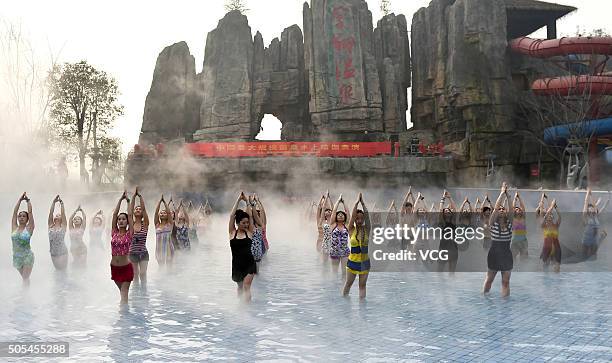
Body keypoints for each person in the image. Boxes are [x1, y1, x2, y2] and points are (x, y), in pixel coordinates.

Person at [483, 183, 513, 297]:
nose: (501, 210)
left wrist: (508, 195)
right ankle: (485, 297)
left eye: (503, 209)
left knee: (505, 282)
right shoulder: (493, 223)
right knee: (489, 279)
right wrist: (502, 193)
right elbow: (495, 208)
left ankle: (506, 306)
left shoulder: (510, 223)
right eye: (499, 209)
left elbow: (511, 210)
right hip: (494, 254)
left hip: (506, 254)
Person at [229, 192, 257, 301]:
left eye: (247, 223)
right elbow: (231, 216)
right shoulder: (232, 233)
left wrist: (247, 202)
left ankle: (248, 311)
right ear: (237, 223)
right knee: (240, 287)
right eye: (243, 223)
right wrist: (238, 200)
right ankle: (240, 308)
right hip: (237, 265)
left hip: (249, 263)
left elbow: (250, 216)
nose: (246, 225)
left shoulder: (249, 232)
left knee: (246, 287)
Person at [343, 193, 371, 299]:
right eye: (357, 218)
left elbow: (368, 217)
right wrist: (356, 203)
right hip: (352, 263)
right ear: (355, 220)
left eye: (361, 218)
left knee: (362, 286)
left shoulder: (367, 230)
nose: (359, 220)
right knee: (348, 284)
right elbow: (352, 216)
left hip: (364, 263)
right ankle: (344, 305)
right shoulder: (351, 230)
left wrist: (362, 203)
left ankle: (363, 312)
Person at [110, 191, 134, 304]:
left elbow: (130, 215)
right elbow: (114, 215)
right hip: (114, 268)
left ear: (127, 222)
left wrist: (128, 201)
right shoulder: (114, 232)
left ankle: (124, 318)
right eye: (119, 219)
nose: (121, 221)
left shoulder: (129, 233)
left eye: (123, 219)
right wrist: (120, 200)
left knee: (124, 294)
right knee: (122, 295)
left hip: (126, 268)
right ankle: (125, 315)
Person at [11, 193, 35, 285]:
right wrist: (19, 200)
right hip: (16, 258)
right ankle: (26, 293)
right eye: (20, 216)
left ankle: (25, 296)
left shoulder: (29, 228)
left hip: (27, 257)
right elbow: (14, 212)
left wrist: (28, 201)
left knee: (25, 278)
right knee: (25, 278)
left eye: (24, 216)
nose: (21, 217)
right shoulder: (14, 227)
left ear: (27, 219)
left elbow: (30, 212)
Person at [129, 187, 150, 284]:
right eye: (136, 209)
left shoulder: (145, 224)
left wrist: (140, 196)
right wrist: (133, 197)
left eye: (139, 209)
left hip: (143, 253)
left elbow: (145, 210)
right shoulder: (131, 224)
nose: (138, 210)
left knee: (142, 274)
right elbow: (129, 212)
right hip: (132, 253)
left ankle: (144, 293)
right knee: (135, 275)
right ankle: (137, 296)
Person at [329, 195, 351, 277]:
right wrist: (338, 201)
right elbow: (334, 211)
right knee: (334, 273)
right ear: (336, 217)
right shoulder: (333, 225)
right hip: (334, 251)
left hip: (345, 252)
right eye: (339, 215)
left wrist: (344, 202)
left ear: (344, 217)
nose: (340, 215)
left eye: (342, 214)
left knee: (344, 273)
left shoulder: (347, 225)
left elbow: (348, 213)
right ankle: (334, 288)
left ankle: (343, 287)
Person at [437, 190, 458, 274]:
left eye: (449, 211)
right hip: (443, 247)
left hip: (453, 248)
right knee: (439, 271)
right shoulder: (442, 222)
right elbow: (440, 210)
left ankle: (451, 286)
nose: (448, 212)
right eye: (445, 211)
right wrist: (442, 198)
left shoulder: (453, 222)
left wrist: (449, 198)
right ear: (443, 214)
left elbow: (455, 210)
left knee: (452, 272)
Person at [48, 195, 69, 270]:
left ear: (61, 218)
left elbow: (63, 214)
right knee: (57, 270)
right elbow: (51, 213)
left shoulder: (63, 226)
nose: (57, 215)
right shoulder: (50, 226)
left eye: (59, 215)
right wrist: (53, 202)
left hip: (62, 252)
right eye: (56, 215)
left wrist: (62, 204)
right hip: (53, 252)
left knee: (63, 269)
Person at [541, 199, 561, 272]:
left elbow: (560, 216)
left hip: (556, 248)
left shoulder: (556, 225)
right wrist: (552, 206)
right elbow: (545, 217)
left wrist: (555, 207)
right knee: (545, 267)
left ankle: (556, 281)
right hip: (547, 248)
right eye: (548, 216)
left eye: (551, 215)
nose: (550, 216)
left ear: (553, 217)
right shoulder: (543, 225)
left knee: (557, 268)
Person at [154, 195, 174, 266]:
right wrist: (159, 202)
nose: (162, 214)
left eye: (164, 213)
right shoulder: (157, 225)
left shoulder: (170, 224)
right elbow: (156, 213)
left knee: (169, 268)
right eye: (161, 213)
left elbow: (169, 213)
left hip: (168, 248)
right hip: (159, 249)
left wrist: (165, 202)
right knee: (161, 267)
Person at [582, 189, 601, 260]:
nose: (591, 208)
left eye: (592, 207)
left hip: (594, 241)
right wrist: (588, 193)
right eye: (589, 208)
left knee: (594, 257)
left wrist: (591, 195)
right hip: (586, 240)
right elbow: (585, 203)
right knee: (584, 257)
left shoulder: (595, 215)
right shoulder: (585, 215)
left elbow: (594, 205)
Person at [510, 192, 528, 263]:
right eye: (517, 209)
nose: (519, 210)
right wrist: (515, 197)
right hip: (514, 240)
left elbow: (523, 207)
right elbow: (512, 207)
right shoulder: (512, 219)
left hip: (523, 240)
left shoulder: (523, 218)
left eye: (519, 209)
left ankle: (523, 271)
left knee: (524, 259)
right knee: (512, 258)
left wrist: (519, 197)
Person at [317, 192, 333, 263]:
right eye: (326, 211)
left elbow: (333, 209)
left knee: (331, 261)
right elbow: (320, 209)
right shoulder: (322, 222)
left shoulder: (333, 222)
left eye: (329, 211)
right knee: (323, 261)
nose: (328, 211)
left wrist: (329, 198)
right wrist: (324, 198)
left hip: (332, 242)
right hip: (322, 241)